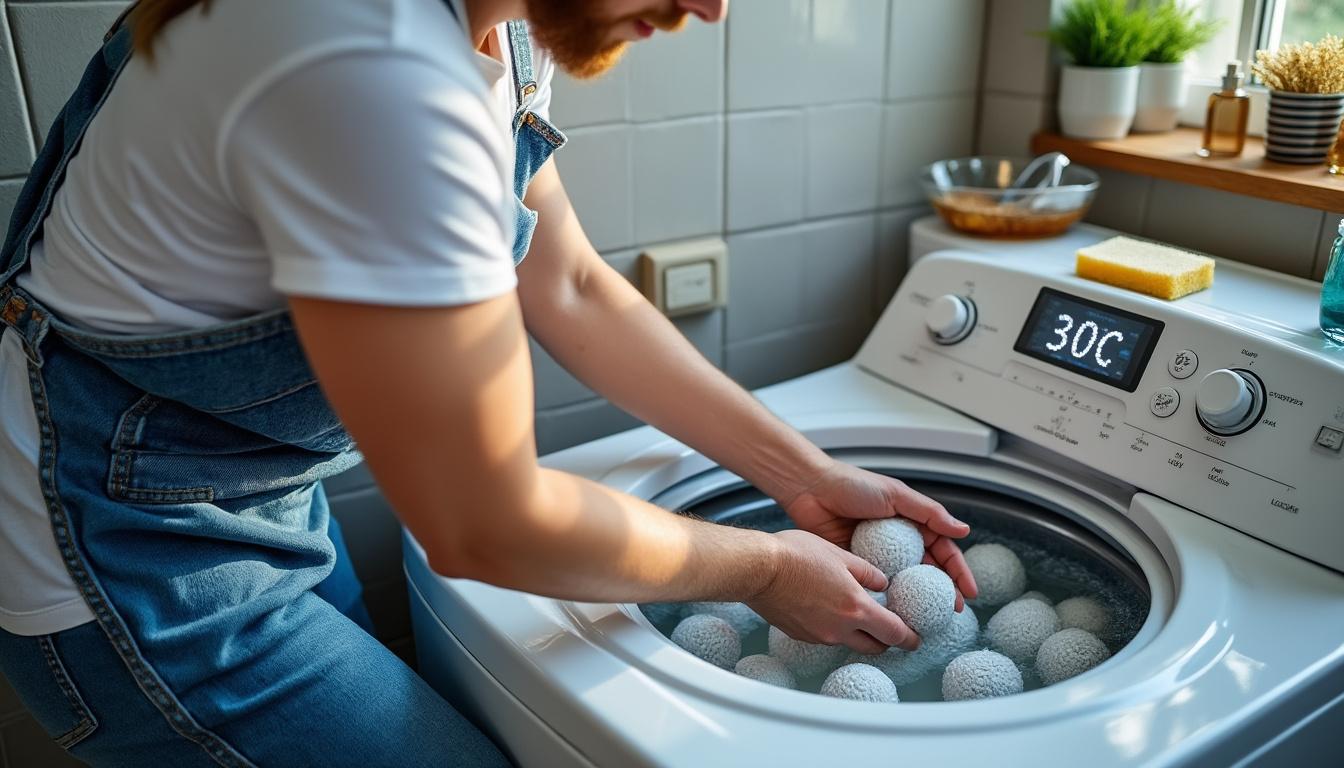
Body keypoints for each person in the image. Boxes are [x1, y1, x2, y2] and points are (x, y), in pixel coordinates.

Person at [0, 0, 977, 765]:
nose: (712, 8)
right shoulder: (359, 67)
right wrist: (762, 569)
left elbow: (572, 285)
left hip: (249, 492)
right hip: (117, 548)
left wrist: (800, 475)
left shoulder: (497, 25)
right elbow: (486, 523)